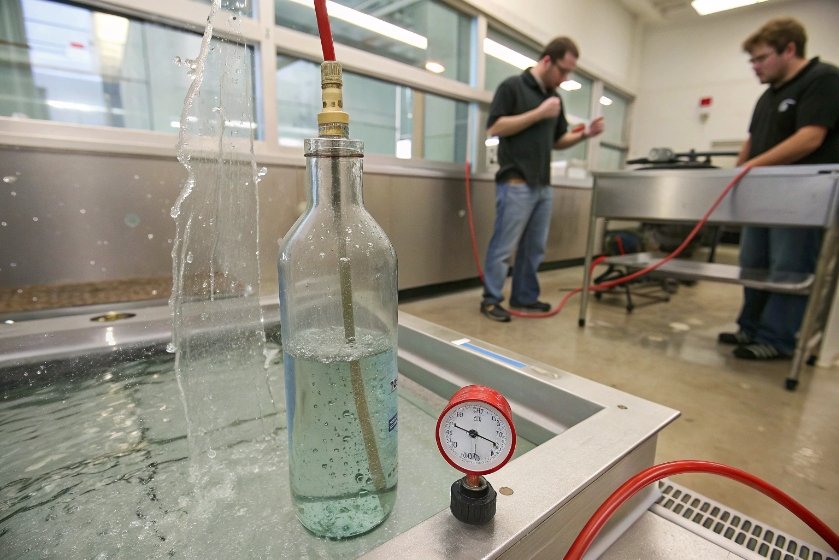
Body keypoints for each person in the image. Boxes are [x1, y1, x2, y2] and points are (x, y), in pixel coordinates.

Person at [719, 18, 839, 359]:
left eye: (760, 58)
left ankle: (777, 339)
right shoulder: (767, 96)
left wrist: (749, 168)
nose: (755, 66)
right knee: (753, 262)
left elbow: (810, 137)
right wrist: (734, 174)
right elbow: (753, 140)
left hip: (803, 195)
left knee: (789, 266)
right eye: (752, 60)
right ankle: (750, 329)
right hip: (763, 194)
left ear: (789, 49)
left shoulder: (823, 79)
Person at [480, 37, 604, 322]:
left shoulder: (555, 99)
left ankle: (524, 297)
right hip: (515, 182)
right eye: (563, 70)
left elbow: (557, 140)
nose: (564, 78)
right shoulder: (513, 87)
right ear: (547, 60)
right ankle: (491, 300)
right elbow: (494, 127)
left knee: (534, 248)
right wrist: (538, 113)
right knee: (503, 246)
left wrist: (585, 134)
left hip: (543, 185)